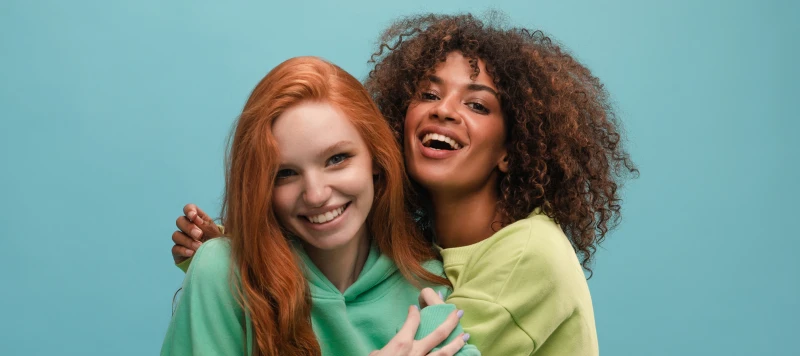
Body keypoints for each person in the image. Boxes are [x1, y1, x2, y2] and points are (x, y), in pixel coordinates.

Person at [172, 13, 637, 355]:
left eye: (478, 105)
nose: (444, 110)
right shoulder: (420, 249)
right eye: (429, 94)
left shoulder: (518, 256)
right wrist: (243, 257)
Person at [162, 56, 479, 356]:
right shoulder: (222, 272)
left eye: (337, 159)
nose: (315, 195)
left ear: (376, 160)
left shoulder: (428, 283)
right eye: (285, 173)